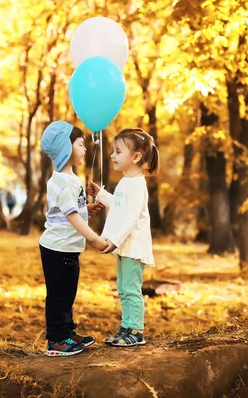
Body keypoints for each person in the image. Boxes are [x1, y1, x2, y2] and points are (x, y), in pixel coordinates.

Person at [39, 120, 108, 357]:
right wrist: (95, 239)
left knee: (68, 292)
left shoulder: (69, 180)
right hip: (58, 248)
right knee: (59, 294)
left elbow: (71, 209)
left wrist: (87, 207)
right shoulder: (62, 181)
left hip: (66, 248)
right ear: (66, 149)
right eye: (80, 144)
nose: (85, 149)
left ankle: (67, 331)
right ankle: (56, 340)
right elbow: (72, 217)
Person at [88, 128, 159, 347]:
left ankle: (136, 331)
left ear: (136, 157)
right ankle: (126, 328)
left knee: (131, 289)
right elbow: (118, 205)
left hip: (132, 246)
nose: (112, 155)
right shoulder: (127, 182)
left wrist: (114, 240)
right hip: (124, 246)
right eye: (112, 151)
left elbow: (130, 218)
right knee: (123, 289)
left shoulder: (137, 184)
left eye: (118, 151)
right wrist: (101, 194)